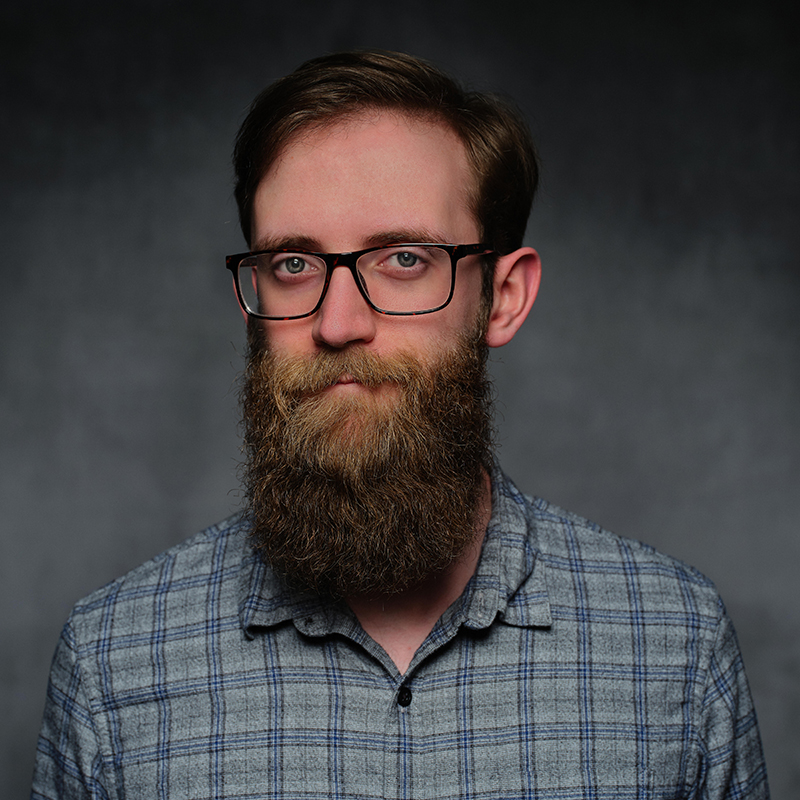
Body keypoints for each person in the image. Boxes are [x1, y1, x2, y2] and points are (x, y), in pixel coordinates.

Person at [32, 50, 769, 799]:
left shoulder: (675, 645)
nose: (337, 322)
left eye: (405, 259)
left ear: (503, 297)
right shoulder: (112, 663)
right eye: (293, 264)